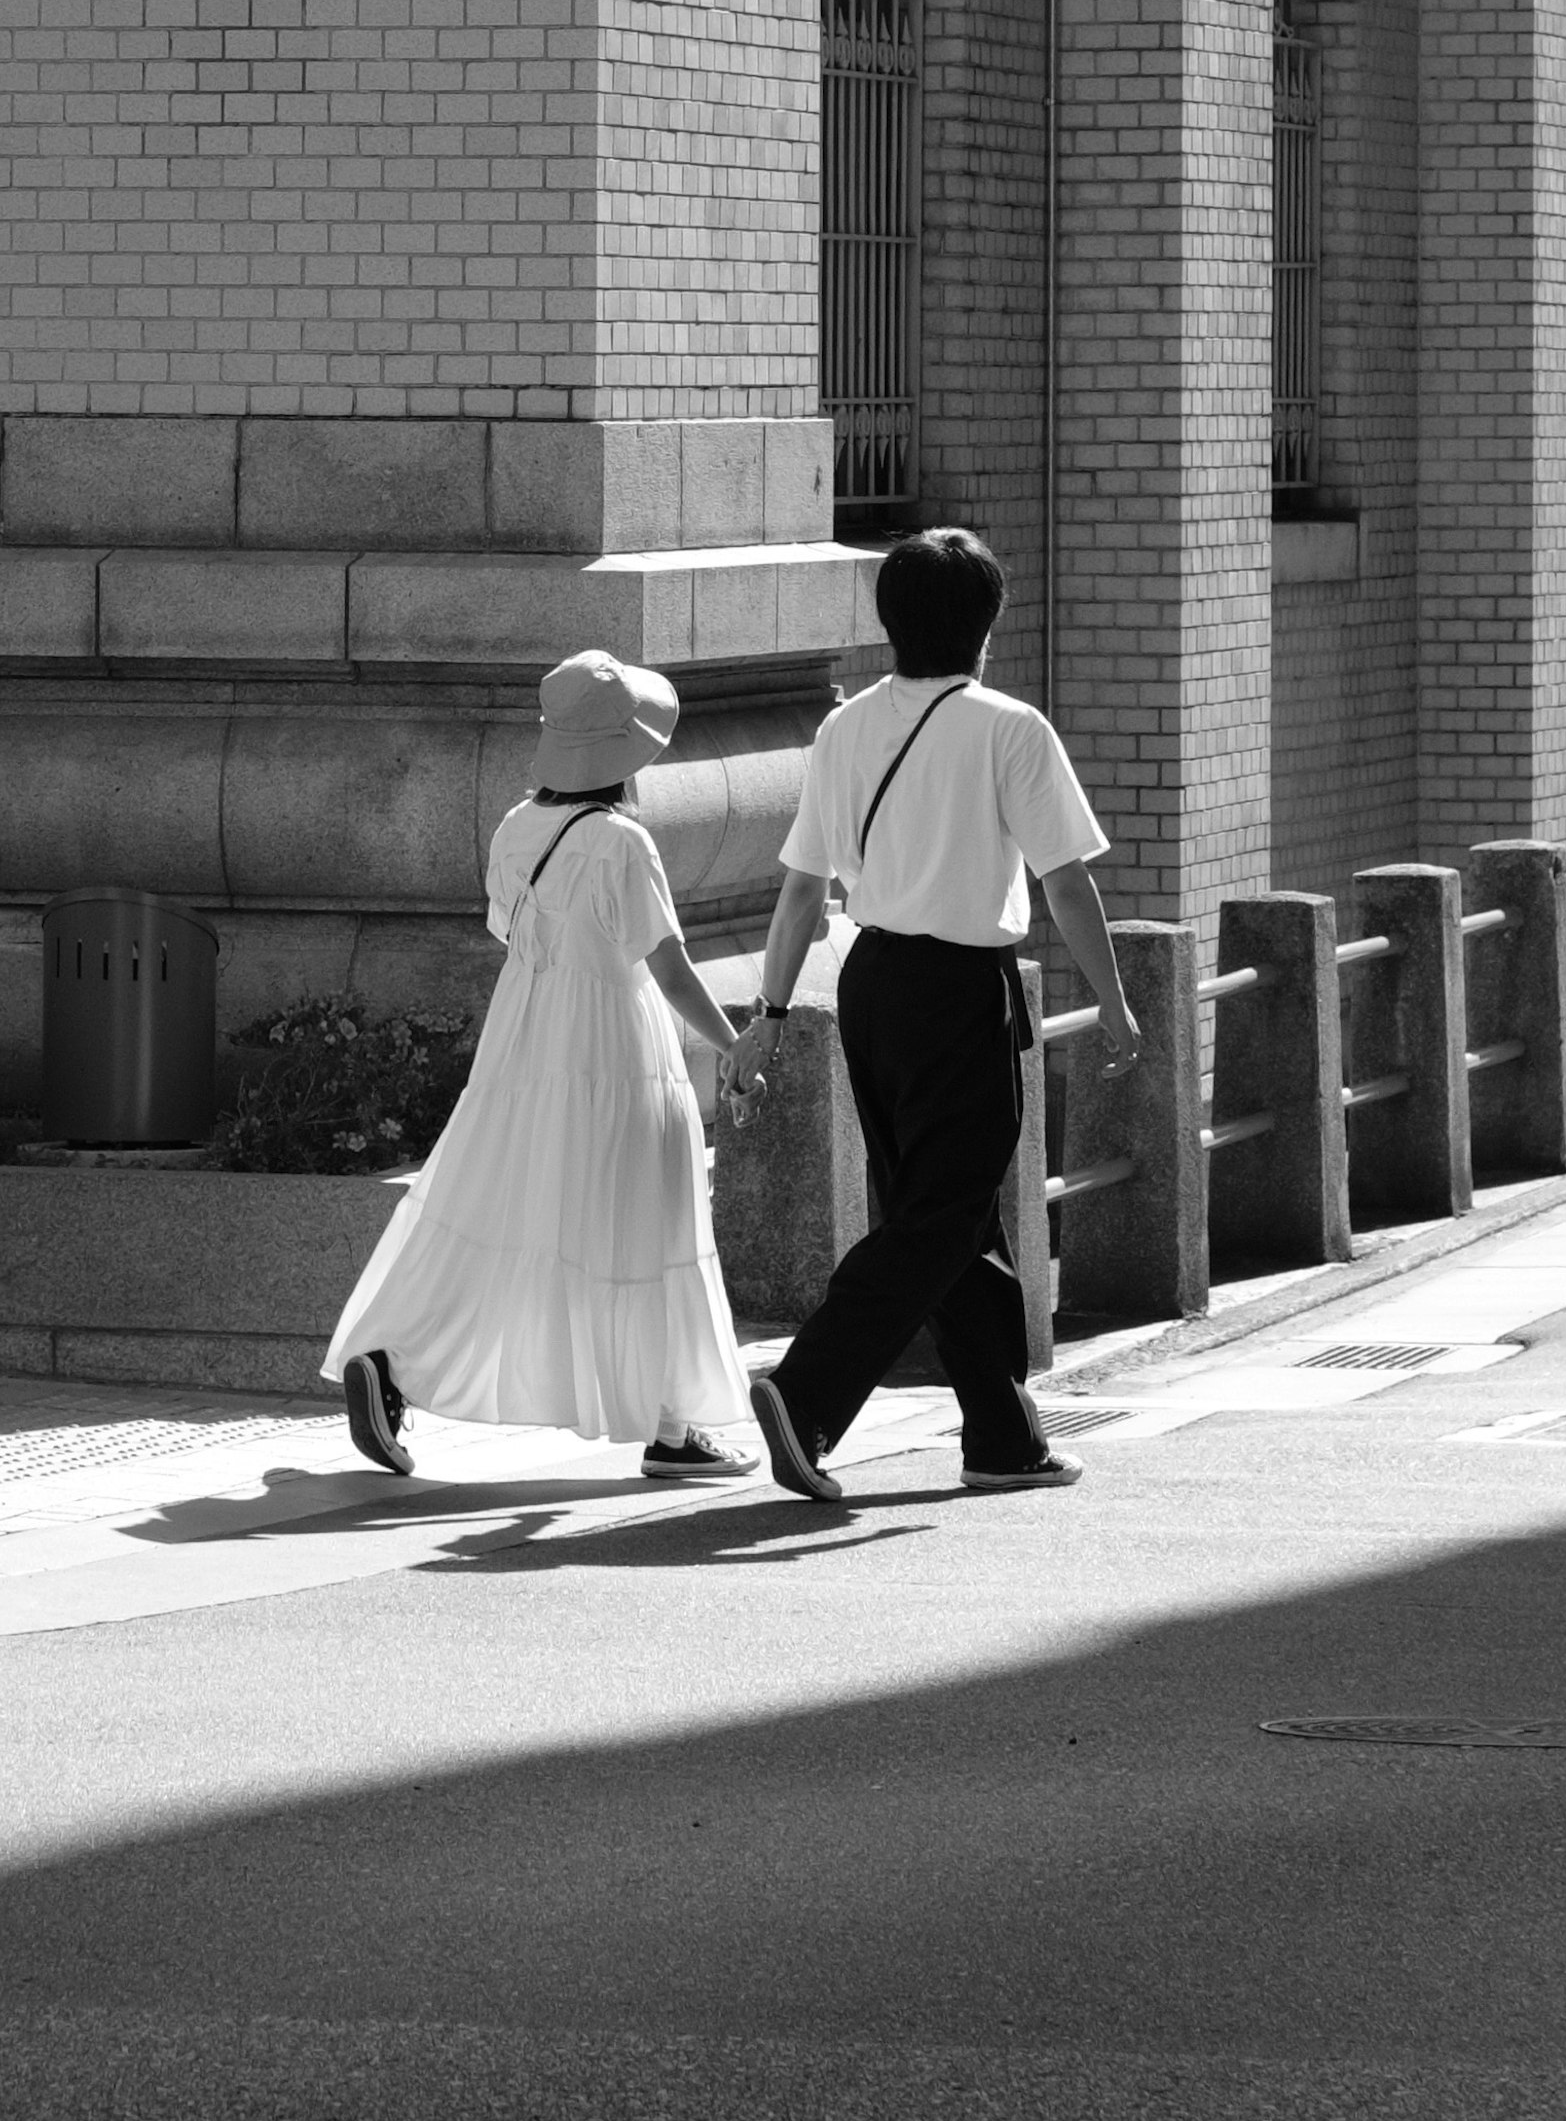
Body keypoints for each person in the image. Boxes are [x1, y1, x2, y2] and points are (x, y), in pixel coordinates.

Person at [741, 525, 1141, 1511]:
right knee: (943, 1213)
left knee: (957, 1219)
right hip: (961, 988)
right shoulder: (1008, 727)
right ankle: (806, 1392)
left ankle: (1003, 1437)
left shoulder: (843, 729)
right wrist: (1116, 999)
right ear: (986, 626)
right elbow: (1067, 885)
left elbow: (799, 893)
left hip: (870, 981)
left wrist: (770, 1011)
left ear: (889, 622)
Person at [326, 648, 759, 1487]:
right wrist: (736, 1045)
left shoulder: (517, 826)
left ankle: (391, 1357)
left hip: (524, 1040)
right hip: (614, 1046)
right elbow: (666, 967)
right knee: (650, 1214)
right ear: (626, 753)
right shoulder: (624, 844)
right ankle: (671, 1425)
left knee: (489, 1207)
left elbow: (508, 931)